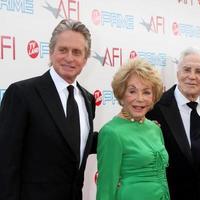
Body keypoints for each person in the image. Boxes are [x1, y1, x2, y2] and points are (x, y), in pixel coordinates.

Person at [0, 19, 96, 200]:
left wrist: (130, 129)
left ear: (85, 58)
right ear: (51, 52)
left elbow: (74, 143)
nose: (69, 58)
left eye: (77, 52)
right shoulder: (22, 94)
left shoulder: (88, 99)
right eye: (63, 50)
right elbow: (5, 163)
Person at [147, 47, 200, 200]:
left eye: (199, 71)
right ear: (178, 73)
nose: (191, 76)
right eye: (186, 69)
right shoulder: (154, 108)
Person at [96, 58, 169, 200]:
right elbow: (106, 188)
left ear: (154, 97)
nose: (140, 98)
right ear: (121, 94)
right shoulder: (111, 132)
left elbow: (162, 177)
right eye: (132, 91)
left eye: (147, 92)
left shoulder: (155, 128)